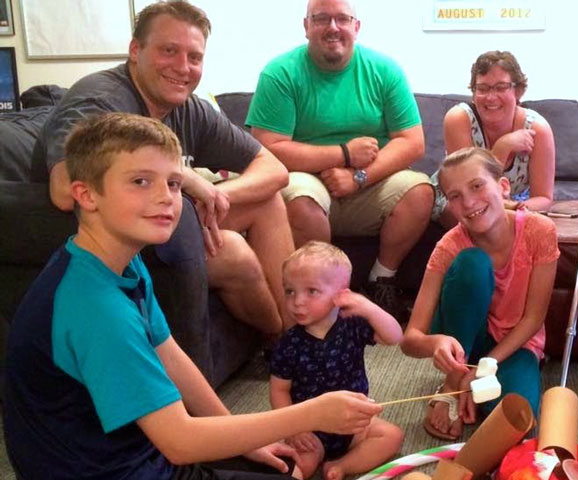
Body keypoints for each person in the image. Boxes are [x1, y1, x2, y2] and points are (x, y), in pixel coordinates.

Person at [3, 112, 383, 479]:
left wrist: (246, 441)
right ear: (86, 195)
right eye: (140, 181)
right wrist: (310, 414)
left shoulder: (120, 262)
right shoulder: (97, 309)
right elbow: (181, 442)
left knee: (279, 460)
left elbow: (168, 351)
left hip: (131, 451)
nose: (166, 198)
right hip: (117, 467)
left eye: (172, 183)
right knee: (293, 457)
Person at [34, 0, 294, 334]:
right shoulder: (100, 99)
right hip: (109, 236)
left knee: (267, 200)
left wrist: (212, 195)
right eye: (169, 50)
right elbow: (63, 190)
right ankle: (283, 341)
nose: (183, 67)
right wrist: (180, 175)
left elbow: (274, 170)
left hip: (168, 222)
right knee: (232, 252)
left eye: (194, 57)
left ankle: (297, 340)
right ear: (135, 50)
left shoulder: (188, 108)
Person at [246, 0, 433, 320]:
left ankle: (381, 281)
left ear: (356, 27)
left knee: (420, 191)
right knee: (302, 198)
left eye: (342, 19)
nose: (333, 27)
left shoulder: (385, 70)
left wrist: (358, 176)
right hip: (307, 177)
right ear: (306, 26)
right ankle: (318, 298)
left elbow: (412, 142)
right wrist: (344, 154)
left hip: (369, 181)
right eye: (321, 19)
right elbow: (269, 147)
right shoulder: (280, 73)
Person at [401, 147, 559, 440]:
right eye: (455, 196)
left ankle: (470, 386)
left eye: (477, 186)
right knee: (473, 262)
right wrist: (437, 344)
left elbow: (533, 319)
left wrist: (486, 368)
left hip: (514, 346)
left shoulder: (540, 231)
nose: (469, 202)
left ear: (503, 186)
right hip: (465, 342)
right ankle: (453, 383)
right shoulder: (449, 247)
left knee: (519, 424)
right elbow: (410, 340)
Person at [268, 241, 404, 480]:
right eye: (290, 291)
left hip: (354, 423)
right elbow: (279, 390)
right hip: (312, 429)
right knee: (297, 466)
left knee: (392, 436)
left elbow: (395, 337)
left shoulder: (352, 324)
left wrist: (369, 308)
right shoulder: (288, 344)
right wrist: (295, 428)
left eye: (311, 291)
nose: (297, 301)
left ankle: (342, 466)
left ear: (342, 295)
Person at [434, 50, 556, 227]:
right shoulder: (459, 119)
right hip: (458, 201)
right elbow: (465, 187)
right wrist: (503, 147)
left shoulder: (538, 129)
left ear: (518, 91)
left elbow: (544, 198)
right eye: (482, 89)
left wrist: (515, 209)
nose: (491, 97)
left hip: (511, 206)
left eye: (501, 87)